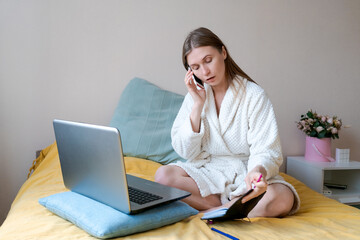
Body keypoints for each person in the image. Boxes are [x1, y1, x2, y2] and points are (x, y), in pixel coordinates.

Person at [155, 27, 300, 217]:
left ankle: (216, 210)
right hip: (209, 172)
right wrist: (198, 105)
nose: (205, 71)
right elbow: (185, 152)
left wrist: (256, 172)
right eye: (196, 67)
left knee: (282, 198)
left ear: (223, 52)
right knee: (163, 176)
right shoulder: (193, 98)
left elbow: (267, 149)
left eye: (208, 60)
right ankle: (231, 208)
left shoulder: (254, 95)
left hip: (247, 172)